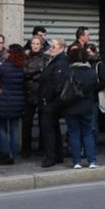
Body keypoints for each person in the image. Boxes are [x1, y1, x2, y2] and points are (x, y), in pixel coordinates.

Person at [63, 45, 100, 169]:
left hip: (71, 106)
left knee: (74, 133)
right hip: (87, 106)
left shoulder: (69, 71)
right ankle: (92, 161)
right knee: (88, 133)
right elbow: (95, 88)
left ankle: (76, 161)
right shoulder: (91, 72)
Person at [0, 44, 26, 165]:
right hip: (17, 103)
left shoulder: (4, 67)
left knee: (1, 129)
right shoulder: (22, 67)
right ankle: (13, 152)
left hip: (2, 102)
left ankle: (6, 154)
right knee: (14, 129)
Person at [39, 38, 69, 168]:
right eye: (51, 46)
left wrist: (47, 98)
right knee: (53, 129)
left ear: (61, 48)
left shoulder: (60, 63)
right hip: (50, 102)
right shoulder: (55, 61)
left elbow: (58, 84)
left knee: (49, 130)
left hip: (51, 103)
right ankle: (57, 154)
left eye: (54, 46)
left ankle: (51, 157)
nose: (51, 49)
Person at [22, 36, 50, 159]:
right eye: (33, 43)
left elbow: (46, 74)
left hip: (42, 92)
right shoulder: (25, 57)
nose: (35, 45)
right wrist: (35, 74)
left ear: (41, 45)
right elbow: (23, 73)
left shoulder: (46, 58)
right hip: (28, 93)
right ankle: (26, 149)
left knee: (43, 122)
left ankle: (42, 148)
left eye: (37, 43)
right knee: (26, 123)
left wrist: (33, 75)